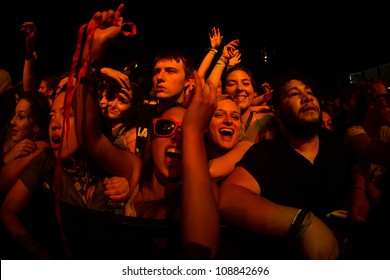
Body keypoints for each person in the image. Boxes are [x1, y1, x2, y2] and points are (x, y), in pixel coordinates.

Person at [71, 3, 220, 259]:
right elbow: (90, 137)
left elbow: (201, 258)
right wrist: (93, 52)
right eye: (165, 127)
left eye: (186, 132)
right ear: (151, 136)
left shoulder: (205, 191)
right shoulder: (136, 167)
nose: (176, 135)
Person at [218, 70, 353, 259]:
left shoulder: (334, 144)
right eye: (294, 94)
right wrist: (302, 223)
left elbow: (355, 171)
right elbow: (229, 197)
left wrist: (360, 191)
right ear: (277, 113)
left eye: (309, 92)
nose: (306, 98)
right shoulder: (266, 153)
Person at [0, 89, 132, 259]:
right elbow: (7, 211)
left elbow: (141, 172)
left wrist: (129, 183)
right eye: (51, 116)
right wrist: (39, 253)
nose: (54, 124)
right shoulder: (45, 163)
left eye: (67, 114)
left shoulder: (111, 163)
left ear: (89, 123)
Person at [0, 91, 51, 198]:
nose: (12, 122)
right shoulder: (12, 139)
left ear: (37, 125)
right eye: (15, 114)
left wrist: (6, 159)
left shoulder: (37, 147)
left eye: (21, 117)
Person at [221, 65, 278, 142]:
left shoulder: (269, 122)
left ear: (253, 90)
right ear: (223, 91)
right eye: (231, 84)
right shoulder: (217, 124)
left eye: (245, 83)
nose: (239, 88)